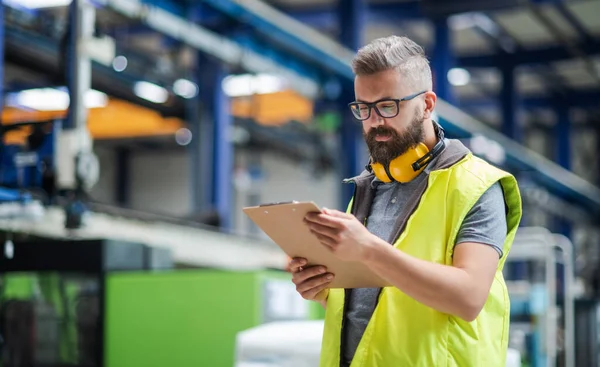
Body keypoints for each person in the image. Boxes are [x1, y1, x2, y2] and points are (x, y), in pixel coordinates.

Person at [288, 35, 522, 367]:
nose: (374, 121)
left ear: (427, 104)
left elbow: (469, 297)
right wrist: (323, 290)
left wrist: (369, 249)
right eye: (363, 108)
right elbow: (378, 307)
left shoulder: (476, 186)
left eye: (387, 106)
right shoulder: (370, 187)